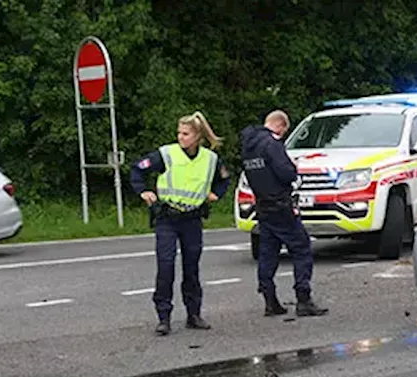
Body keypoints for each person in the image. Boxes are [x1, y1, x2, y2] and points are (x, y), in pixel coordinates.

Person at [129, 111, 231, 336]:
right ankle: (163, 316)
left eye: (186, 133)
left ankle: (193, 314)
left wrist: (216, 194)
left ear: (198, 137)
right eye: (179, 133)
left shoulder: (210, 159)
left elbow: (224, 179)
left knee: (191, 268)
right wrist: (143, 191)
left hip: (192, 219)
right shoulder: (167, 154)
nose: (180, 137)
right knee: (166, 267)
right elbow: (138, 169)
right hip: (167, 217)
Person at [240, 110, 327, 317]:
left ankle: (270, 300)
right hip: (281, 205)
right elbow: (286, 172)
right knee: (302, 247)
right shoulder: (272, 144)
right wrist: (294, 172)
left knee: (268, 253)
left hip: (262, 206)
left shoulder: (248, 147)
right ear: (280, 126)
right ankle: (303, 299)